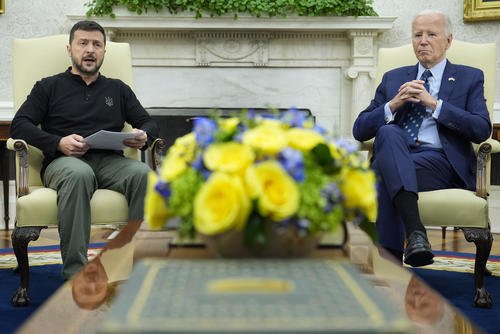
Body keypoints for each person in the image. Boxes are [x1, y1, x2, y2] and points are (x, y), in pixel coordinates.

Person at [10, 20, 159, 280]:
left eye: (97, 45)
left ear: (104, 52)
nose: (90, 50)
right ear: (70, 49)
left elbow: (148, 122)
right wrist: (57, 142)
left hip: (111, 162)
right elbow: (19, 125)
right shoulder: (48, 86)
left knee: (143, 175)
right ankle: (75, 274)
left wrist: (144, 135)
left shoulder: (118, 89)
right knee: (79, 174)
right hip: (64, 162)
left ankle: (137, 269)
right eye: (83, 43)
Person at [352, 10, 491, 267]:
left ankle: (388, 266)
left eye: (431, 34)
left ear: (448, 41)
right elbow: (359, 129)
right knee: (388, 132)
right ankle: (416, 234)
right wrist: (393, 105)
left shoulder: (470, 77)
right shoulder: (394, 78)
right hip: (399, 154)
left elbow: (481, 128)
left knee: (381, 173)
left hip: (441, 162)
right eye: (417, 35)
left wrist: (435, 104)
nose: (423, 41)